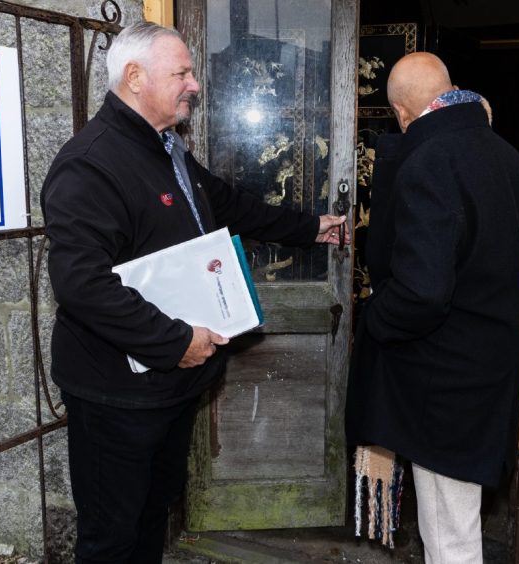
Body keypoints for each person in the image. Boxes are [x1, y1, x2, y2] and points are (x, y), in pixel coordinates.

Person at [40, 21, 348, 563]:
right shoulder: (90, 164)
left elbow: (224, 204)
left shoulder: (166, 148)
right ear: (134, 78)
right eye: (181, 72)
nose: (194, 85)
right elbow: (82, 284)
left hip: (169, 387)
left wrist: (309, 227)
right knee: (111, 534)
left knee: (153, 512)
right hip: (116, 394)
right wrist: (174, 340)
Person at [345, 52, 519, 564]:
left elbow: (421, 292)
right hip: (492, 358)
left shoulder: (428, 160)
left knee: (448, 529)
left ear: (403, 115)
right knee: (457, 515)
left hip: (445, 374)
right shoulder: (507, 157)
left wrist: (375, 321)